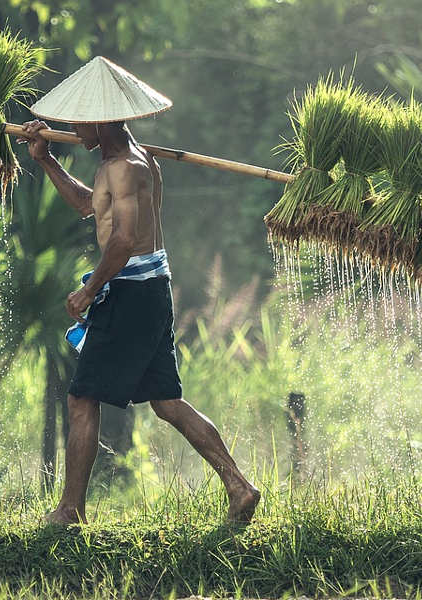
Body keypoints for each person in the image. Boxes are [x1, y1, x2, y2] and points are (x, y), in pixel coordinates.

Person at [15, 56, 260, 525]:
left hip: (130, 293)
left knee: (82, 397)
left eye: (79, 120)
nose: (73, 127)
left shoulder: (126, 167)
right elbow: (90, 206)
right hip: (150, 290)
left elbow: (124, 241)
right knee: (166, 401)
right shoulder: (129, 161)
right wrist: (45, 159)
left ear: (100, 120)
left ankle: (69, 510)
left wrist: (89, 292)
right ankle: (240, 486)